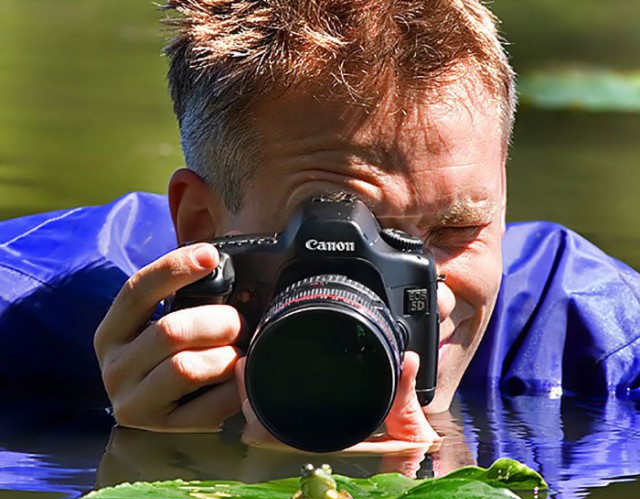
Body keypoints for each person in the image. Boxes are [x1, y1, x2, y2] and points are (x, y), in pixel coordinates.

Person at [0, 0, 638, 449]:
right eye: (348, 236)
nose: (431, 292)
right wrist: (144, 456)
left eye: (455, 231)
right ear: (201, 226)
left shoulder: (603, 350)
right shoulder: (23, 320)